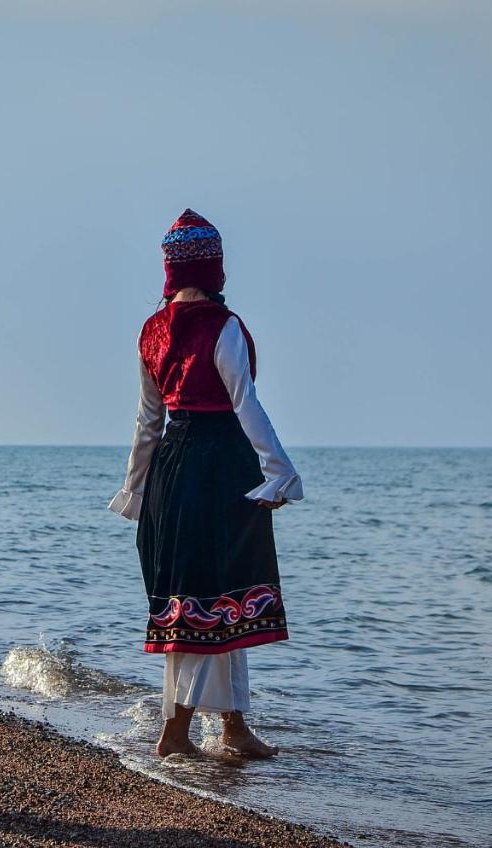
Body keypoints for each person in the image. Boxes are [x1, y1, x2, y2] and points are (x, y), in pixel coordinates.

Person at [109, 209, 304, 758]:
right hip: (219, 469)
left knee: (212, 603)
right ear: (214, 266)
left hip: (171, 471)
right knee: (205, 603)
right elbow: (245, 402)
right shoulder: (225, 327)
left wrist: (136, 489)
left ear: (170, 269)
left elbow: (148, 420)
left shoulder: (151, 331)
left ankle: (233, 728)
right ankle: (174, 734)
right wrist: (279, 472)